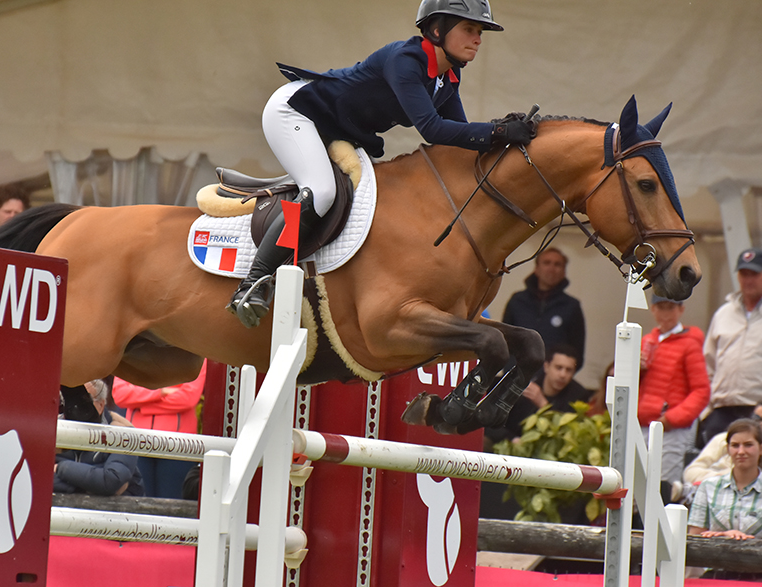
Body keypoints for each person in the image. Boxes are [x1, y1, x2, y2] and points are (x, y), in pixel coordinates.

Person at [227, 0, 535, 328]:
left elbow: (456, 138)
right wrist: (497, 132)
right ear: (437, 30)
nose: (478, 39)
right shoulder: (406, 60)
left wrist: (500, 135)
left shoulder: (448, 76)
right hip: (297, 113)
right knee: (321, 192)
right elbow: (432, 129)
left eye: (480, 32)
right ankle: (252, 283)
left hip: (337, 131)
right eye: (470, 29)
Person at [637, 294, 710, 484]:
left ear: (681, 310)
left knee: (664, 485)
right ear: (653, 309)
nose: (666, 313)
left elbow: (701, 391)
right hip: (643, 424)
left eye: (671, 307)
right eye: (661, 307)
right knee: (637, 484)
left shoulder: (689, 344)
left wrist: (672, 419)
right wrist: (636, 369)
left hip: (671, 429)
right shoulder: (646, 341)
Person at [111, 360, 206, 499]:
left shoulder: (196, 356)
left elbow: (188, 398)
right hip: (137, 441)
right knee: (139, 500)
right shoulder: (131, 351)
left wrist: (142, 405)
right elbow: (120, 395)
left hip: (177, 445)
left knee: (172, 502)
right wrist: (160, 392)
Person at [699, 247, 762, 446]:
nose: (748, 280)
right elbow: (708, 363)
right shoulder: (723, 313)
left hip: (757, 410)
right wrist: (707, 409)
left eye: (754, 274)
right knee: (714, 460)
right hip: (721, 410)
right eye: (744, 274)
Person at [687, 419, 762, 580]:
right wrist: (723, 535)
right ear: (727, 449)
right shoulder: (708, 486)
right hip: (715, 573)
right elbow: (694, 537)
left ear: (760, 448)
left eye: (748, 445)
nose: (741, 451)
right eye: (735, 445)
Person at [54, 378, 145, 496]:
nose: (74, 406)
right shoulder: (54, 432)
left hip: (117, 508)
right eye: (68, 399)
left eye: (84, 400)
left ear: (101, 405)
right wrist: (94, 485)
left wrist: (61, 468)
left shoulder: (124, 435)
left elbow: (111, 481)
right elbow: (38, 479)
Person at [485, 344, 590, 444]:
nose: (563, 375)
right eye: (558, 368)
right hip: (512, 443)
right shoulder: (525, 384)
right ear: (546, 366)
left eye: (569, 370)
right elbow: (490, 422)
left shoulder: (578, 395)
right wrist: (512, 439)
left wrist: (543, 405)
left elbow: (568, 434)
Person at [502, 248, 586, 372]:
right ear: (536, 269)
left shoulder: (572, 306)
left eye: (557, 264)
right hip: (514, 375)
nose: (551, 268)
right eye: (547, 263)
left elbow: (577, 353)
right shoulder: (517, 301)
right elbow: (504, 341)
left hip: (550, 380)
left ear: (564, 271)